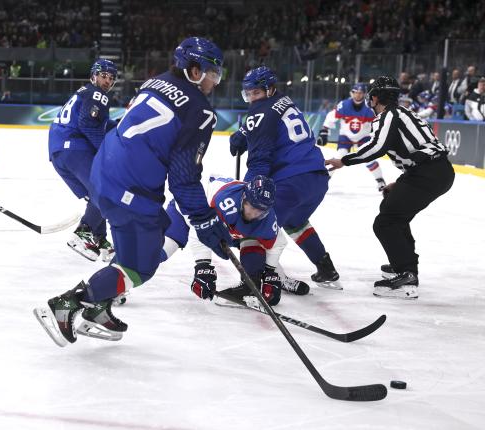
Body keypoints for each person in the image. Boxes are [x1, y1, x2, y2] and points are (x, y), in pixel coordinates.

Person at [34, 37, 232, 347]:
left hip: (102, 173)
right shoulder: (200, 112)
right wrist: (205, 220)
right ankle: (67, 304)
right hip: (130, 189)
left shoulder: (155, 83)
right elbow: (183, 179)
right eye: (212, 74)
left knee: (134, 250)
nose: (214, 82)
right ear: (194, 71)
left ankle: (97, 308)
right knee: (141, 266)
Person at [325, 76, 454, 299]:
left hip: (428, 173)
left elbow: (376, 147)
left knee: (385, 222)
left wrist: (343, 161)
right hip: (433, 171)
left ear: (374, 98)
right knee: (394, 213)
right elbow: (418, 150)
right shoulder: (405, 113)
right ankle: (404, 266)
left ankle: (406, 274)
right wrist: (401, 182)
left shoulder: (388, 116)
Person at [229, 66, 340, 289]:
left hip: (291, 180)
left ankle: (253, 286)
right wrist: (244, 132)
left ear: (270, 90)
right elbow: (268, 121)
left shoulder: (259, 113)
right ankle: (326, 268)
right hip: (316, 179)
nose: (252, 99)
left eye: (256, 93)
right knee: (295, 222)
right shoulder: (284, 101)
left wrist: (249, 192)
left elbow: (260, 160)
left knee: (254, 223)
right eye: (248, 94)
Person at [160, 174, 310, 306]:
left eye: (260, 210)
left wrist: (270, 273)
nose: (253, 213)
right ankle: (135, 274)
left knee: (255, 244)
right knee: (161, 252)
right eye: (251, 206)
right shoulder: (224, 203)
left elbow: (277, 244)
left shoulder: (267, 219)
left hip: (226, 225)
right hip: (188, 211)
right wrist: (202, 267)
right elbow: (200, 231)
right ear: (244, 197)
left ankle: (267, 281)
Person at [48, 59, 118, 262]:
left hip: (60, 152)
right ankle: (83, 233)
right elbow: (88, 125)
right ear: (94, 75)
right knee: (105, 190)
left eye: (111, 78)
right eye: (104, 76)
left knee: (95, 194)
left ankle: (99, 238)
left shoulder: (84, 93)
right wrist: (107, 153)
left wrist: (117, 125)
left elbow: (96, 122)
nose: (107, 81)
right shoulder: (97, 95)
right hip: (75, 149)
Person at [317, 82, 387, 191]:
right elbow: (332, 116)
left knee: (369, 158)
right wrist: (324, 130)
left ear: (364, 94)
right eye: (355, 92)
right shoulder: (344, 105)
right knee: (340, 156)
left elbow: (379, 121)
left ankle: (380, 180)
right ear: (352, 93)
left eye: (360, 93)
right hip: (346, 136)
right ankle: (324, 179)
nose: (358, 95)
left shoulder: (370, 107)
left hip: (364, 137)